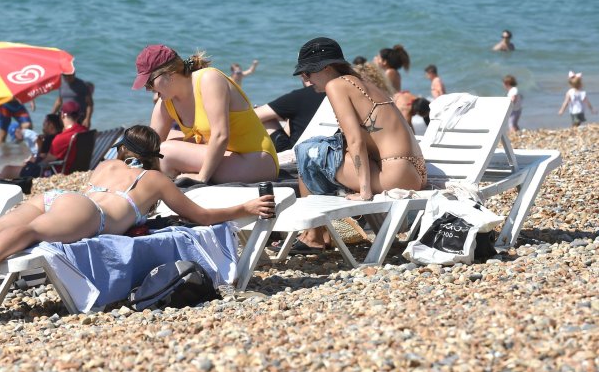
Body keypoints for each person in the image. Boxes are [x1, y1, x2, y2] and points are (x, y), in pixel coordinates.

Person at [0, 125, 275, 312]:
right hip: (90, 214)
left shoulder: (106, 164)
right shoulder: (155, 179)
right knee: (30, 233)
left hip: (59, 196)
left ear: (123, 149)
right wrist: (242, 210)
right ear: (152, 156)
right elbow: (199, 215)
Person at [291, 38, 426, 253]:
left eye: (307, 73)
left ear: (326, 68)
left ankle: (314, 236)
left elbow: (356, 140)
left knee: (308, 153)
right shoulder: (360, 82)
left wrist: (364, 192)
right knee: (325, 150)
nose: (306, 81)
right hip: (414, 171)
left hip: (394, 174)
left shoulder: (336, 85)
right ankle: (320, 233)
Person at [134, 45, 277, 184]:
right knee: (160, 149)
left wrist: (201, 177)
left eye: (149, 82)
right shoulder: (165, 103)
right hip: (226, 159)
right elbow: (149, 150)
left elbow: (221, 135)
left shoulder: (209, 79)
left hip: (257, 161)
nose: (148, 89)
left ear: (169, 72)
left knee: (165, 153)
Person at [254, 78, 327, 152]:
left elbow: (254, 116)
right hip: (329, 150)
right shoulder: (335, 92)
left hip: (296, 155)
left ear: (304, 76)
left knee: (267, 118)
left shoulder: (301, 96)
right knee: (292, 115)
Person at [0, 114, 63, 179]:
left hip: (42, 171)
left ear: (50, 125)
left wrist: (39, 145)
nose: (43, 127)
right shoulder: (59, 136)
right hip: (51, 168)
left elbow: (41, 158)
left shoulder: (49, 139)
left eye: (44, 124)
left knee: (6, 170)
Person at [41, 101, 88, 174]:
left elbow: (47, 162)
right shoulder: (85, 131)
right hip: (81, 171)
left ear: (62, 115)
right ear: (78, 115)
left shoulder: (61, 138)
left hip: (61, 173)